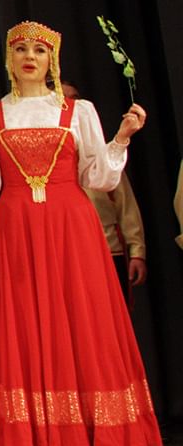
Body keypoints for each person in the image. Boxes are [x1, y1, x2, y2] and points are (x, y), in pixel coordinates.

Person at [0, 23, 160, 446]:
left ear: (51, 60)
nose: (29, 56)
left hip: (72, 224)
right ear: (8, 57)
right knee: (28, 316)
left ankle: (98, 426)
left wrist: (121, 138)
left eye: (39, 50)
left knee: (84, 314)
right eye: (20, 48)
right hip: (17, 226)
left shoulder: (79, 112)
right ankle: (41, 432)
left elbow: (97, 176)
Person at [61, 84, 149, 299]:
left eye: (75, 99)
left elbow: (125, 203)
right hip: (68, 253)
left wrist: (137, 251)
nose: (72, 105)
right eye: (64, 101)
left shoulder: (104, 155)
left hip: (109, 249)